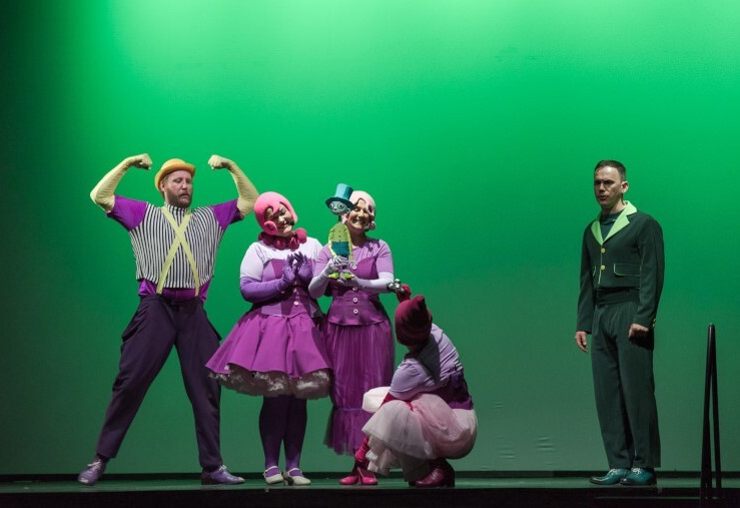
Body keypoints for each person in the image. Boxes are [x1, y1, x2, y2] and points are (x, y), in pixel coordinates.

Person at [78, 154, 258, 486]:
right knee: (130, 383)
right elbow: (99, 195)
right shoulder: (143, 213)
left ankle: (212, 466)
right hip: (155, 308)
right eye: (178, 180)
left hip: (193, 313)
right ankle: (100, 459)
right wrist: (127, 164)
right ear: (163, 186)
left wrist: (232, 167)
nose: (185, 185)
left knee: (207, 387)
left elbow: (251, 200)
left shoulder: (209, 217)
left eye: (189, 181)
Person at [206, 191, 331, 486]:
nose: (282, 218)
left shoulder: (312, 245)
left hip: (305, 327)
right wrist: (281, 282)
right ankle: (271, 465)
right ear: (266, 223)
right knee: (275, 399)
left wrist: (310, 276)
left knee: (298, 401)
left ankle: (295, 466)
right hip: (272, 327)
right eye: (273, 216)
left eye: (283, 210)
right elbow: (247, 289)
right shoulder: (258, 249)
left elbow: (323, 288)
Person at [575, 160, 664, 486]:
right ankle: (618, 463)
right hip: (602, 313)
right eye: (597, 182)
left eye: (608, 183)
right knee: (607, 392)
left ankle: (644, 464)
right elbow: (586, 280)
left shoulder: (643, 224)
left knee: (636, 390)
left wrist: (644, 317)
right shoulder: (591, 230)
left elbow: (652, 273)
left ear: (623, 186)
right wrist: (584, 322)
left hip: (630, 311)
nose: (601, 188)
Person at [308, 190, 395, 485]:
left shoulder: (379, 247)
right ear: (344, 213)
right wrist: (327, 271)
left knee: (373, 393)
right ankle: (356, 465)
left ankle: (367, 465)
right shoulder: (329, 249)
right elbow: (315, 291)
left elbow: (387, 281)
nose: (361, 214)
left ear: (372, 219)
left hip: (373, 328)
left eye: (367, 210)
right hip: (339, 329)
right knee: (345, 393)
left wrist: (360, 281)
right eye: (356, 208)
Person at [358, 289, 477, 488]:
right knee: (382, 398)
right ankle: (424, 471)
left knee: (392, 411)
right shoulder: (437, 334)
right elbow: (417, 320)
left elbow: (384, 413)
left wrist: (362, 452)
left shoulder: (412, 369)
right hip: (462, 420)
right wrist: (405, 301)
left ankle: (437, 467)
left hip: (456, 433)